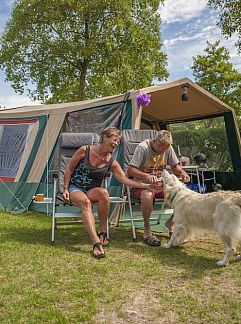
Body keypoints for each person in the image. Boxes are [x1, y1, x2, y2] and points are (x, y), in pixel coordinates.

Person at [62, 127, 156, 259]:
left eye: (118, 141)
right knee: (85, 203)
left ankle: (103, 231)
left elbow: (124, 179)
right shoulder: (85, 150)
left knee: (104, 193)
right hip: (75, 188)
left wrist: (146, 185)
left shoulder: (111, 162)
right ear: (104, 137)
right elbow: (69, 169)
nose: (116, 143)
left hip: (91, 190)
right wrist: (65, 188)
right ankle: (96, 243)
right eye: (115, 140)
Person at [127, 130, 190, 246]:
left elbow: (175, 167)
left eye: (166, 148)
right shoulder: (143, 148)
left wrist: (183, 173)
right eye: (162, 148)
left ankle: (171, 223)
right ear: (155, 142)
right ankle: (147, 230)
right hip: (141, 184)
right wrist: (146, 176)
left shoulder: (167, 148)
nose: (163, 151)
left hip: (161, 184)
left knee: (183, 195)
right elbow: (131, 170)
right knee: (147, 195)